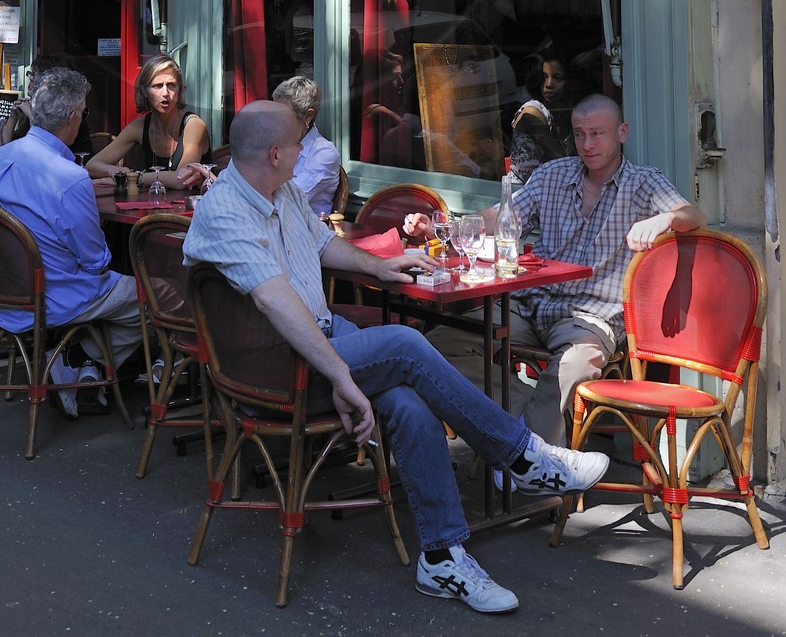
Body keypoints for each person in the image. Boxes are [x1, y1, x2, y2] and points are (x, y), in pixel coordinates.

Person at [183, 100, 608, 615]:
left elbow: (323, 248)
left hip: (318, 341)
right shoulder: (224, 209)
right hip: (271, 369)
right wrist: (341, 375)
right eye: (299, 142)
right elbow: (274, 299)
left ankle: (442, 556)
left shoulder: (284, 191)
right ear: (275, 153)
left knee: (409, 401)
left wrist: (381, 269)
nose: (306, 151)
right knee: (406, 345)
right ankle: (523, 457)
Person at [477, 92, 703, 445]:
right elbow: (502, 216)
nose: (587, 144)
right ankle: (518, 418)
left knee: (575, 365)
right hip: (530, 303)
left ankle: (529, 456)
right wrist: (449, 227)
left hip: (589, 317)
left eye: (597, 133)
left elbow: (694, 216)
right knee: (448, 340)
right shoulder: (553, 175)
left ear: (622, 133)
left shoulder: (643, 182)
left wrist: (665, 218)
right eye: (580, 134)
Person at [0, 67, 143, 413]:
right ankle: (79, 356)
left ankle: (78, 365)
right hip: (53, 296)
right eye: (84, 113)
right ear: (72, 117)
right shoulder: (68, 178)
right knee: (151, 299)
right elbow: (96, 262)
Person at [85, 57, 209, 192]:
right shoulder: (139, 126)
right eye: (157, 86)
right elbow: (92, 166)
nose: (166, 93)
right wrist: (114, 171)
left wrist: (132, 178)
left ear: (180, 89)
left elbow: (182, 179)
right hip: (154, 206)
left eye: (172, 85)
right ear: (144, 91)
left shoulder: (194, 125)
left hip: (192, 209)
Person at [0, 54, 93, 159]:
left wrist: (32, 115)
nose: (31, 80)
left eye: (36, 76)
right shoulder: (32, 111)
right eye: (31, 74)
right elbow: (3, 149)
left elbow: (48, 151)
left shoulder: (73, 117)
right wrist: (13, 117)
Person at [272, 75, 341, 217]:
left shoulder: (324, 152)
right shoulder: (273, 142)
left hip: (306, 232)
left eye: (282, 114)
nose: (275, 120)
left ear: (308, 116)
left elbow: (289, 199)